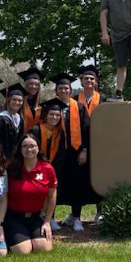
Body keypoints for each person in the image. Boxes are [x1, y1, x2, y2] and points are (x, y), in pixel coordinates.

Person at [49, 73, 91, 232]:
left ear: (70, 90)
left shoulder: (79, 107)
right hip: (56, 152)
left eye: (66, 88)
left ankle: (77, 218)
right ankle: (51, 217)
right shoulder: (50, 107)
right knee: (54, 184)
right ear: (56, 90)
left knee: (77, 183)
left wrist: (84, 150)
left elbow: (86, 130)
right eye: (60, 88)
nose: (63, 91)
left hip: (75, 152)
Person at [4, 132, 57, 254]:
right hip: (14, 217)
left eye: (32, 146)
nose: (29, 149)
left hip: (35, 217)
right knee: (23, 251)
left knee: (44, 248)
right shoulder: (11, 167)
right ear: (20, 149)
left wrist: (47, 222)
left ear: (38, 148)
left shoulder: (47, 168)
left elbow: (52, 196)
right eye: (25, 146)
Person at [73, 65, 102, 224]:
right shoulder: (74, 100)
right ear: (81, 81)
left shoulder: (103, 99)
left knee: (99, 178)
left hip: (99, 145)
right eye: (86, 78)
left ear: (95, 81)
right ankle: (75, 214)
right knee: (79, 179)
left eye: (91, 78)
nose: (89, 81)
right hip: (79, 145)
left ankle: (100, 212)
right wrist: (82, 148)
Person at [35, 98, 69, 231]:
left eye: (57, 115)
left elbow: (62, 153)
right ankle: (37, 216)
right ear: (46, 115)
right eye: (51, 114)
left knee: (52, 192)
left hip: (54, 167)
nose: (54, 117)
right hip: (37, 166)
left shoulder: (60, 132)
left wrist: (54, 168)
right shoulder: (36, 130)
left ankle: (51, 217)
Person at [0, 84, 25, 160]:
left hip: (15, 158)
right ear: (9, 100)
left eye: (20, 100)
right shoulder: (1, 119)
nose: (17, 102)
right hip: (2, 157)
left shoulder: (19, 118)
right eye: (14, 99)